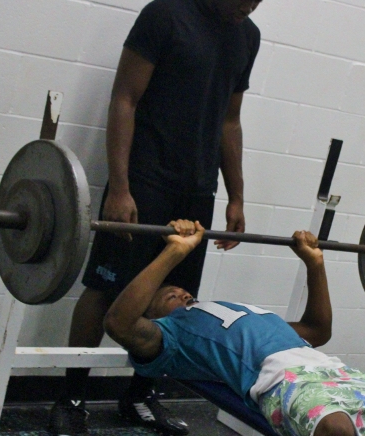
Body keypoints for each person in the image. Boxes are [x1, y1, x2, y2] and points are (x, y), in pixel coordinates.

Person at [48, 1, 263, 435]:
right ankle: (71, 398)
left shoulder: (247, 36)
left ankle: (139, 396)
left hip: (197, 188)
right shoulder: (165, 15)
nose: (249, 7)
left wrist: (237, 195)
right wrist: (120, 187)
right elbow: (124, 99)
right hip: (144, 181)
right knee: (105, 287)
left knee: (175, 300)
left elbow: (230, 120)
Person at [103, 220, 365, 436]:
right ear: (153, 314)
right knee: (335, 430)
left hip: (344, 375)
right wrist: (174, 252)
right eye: (166, 295)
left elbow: (317, 329)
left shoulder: (246, 313)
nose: (179, 292)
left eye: (181, 289)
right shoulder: (173, 337)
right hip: (284, 384)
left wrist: (315, 264)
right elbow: (120, 323)